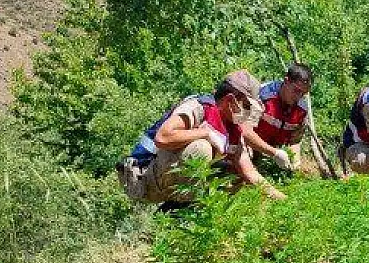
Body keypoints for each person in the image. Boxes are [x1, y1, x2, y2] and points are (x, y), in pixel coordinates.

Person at [117, 70, 287, 203]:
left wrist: (282, 198)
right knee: (201, 147)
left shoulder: (234, 128)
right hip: (145, 178)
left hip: (170, 181)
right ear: (230, 100)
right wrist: (205, 133)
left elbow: (249, 172)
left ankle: (188, 211)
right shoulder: (198, 108)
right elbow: (162, 138)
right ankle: (187, 207)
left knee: (235, 171)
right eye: (246, 106)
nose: (248, 113)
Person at [243, 63, 313, 175]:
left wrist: (295, 163)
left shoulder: (301, 111)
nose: (299, 96)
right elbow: (245, 132)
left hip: (271, 153)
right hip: (247, 145)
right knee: (246, 156)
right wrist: (274, 153)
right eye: (296, 90)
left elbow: (295, 141)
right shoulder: (261, 96)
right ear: (286, 81)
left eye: (303, 93)